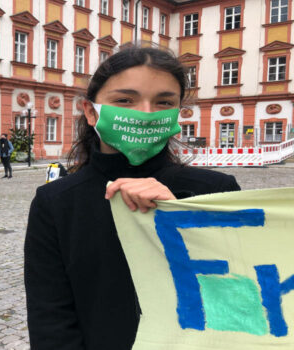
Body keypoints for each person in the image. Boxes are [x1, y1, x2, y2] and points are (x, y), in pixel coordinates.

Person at [24, 46, 241, 350]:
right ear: (90, 111)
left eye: (164, 102)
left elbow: (239, 302)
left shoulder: (216, 191)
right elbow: (51, 319)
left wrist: (180, 219)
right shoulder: (56, 202)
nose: (145, 114)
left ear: (177, 113)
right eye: (124, 100)